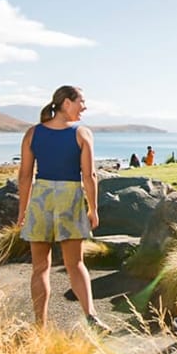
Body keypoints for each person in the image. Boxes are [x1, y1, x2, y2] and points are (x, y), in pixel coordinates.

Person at [16, 85, 111, 334]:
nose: (84, 107)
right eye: (82, 101)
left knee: (40, 267)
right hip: (69, 197)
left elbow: (25, 177)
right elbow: (89, 175)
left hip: (41, 199)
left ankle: (40, 326)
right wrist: (93, 209)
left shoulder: (32, 133)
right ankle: (91, 317)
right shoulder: (82, 133)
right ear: (67, 103)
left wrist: (22, 212)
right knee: (75, 263)